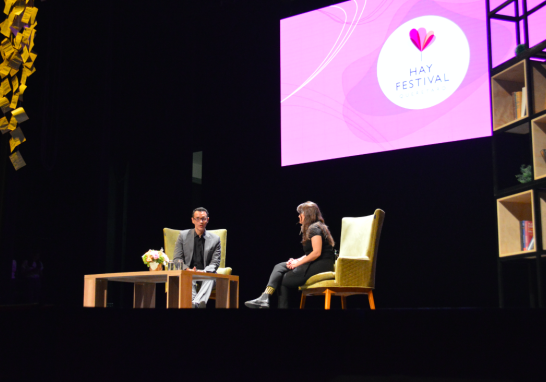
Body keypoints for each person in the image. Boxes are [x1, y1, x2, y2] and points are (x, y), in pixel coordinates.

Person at [245, 201, 335, 309]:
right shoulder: (315, 227)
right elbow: (309, 253)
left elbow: (316, 252)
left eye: (300, 213)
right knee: (279, 266)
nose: (298, 216)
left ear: (306, 214)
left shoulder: (314, 228)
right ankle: (265, 297)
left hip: (321, 265)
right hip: (317, 262)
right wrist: (296, 260)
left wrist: (297, 264)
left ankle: (266, 299)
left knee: (283, 279)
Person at [173, 207, 221, 308]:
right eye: (197, 218)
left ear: (207, 220)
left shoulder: (215, 239)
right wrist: (187, 269)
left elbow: (215, 263)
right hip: (188, 273)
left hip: (205, 274)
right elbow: (177, 259)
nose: (201, 221)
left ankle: (195, 304)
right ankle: (197, 304)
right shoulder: (183, 236)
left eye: (203, 219)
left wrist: (204, 272)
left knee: (212, 277)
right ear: (193, 220)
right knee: (188, 278)